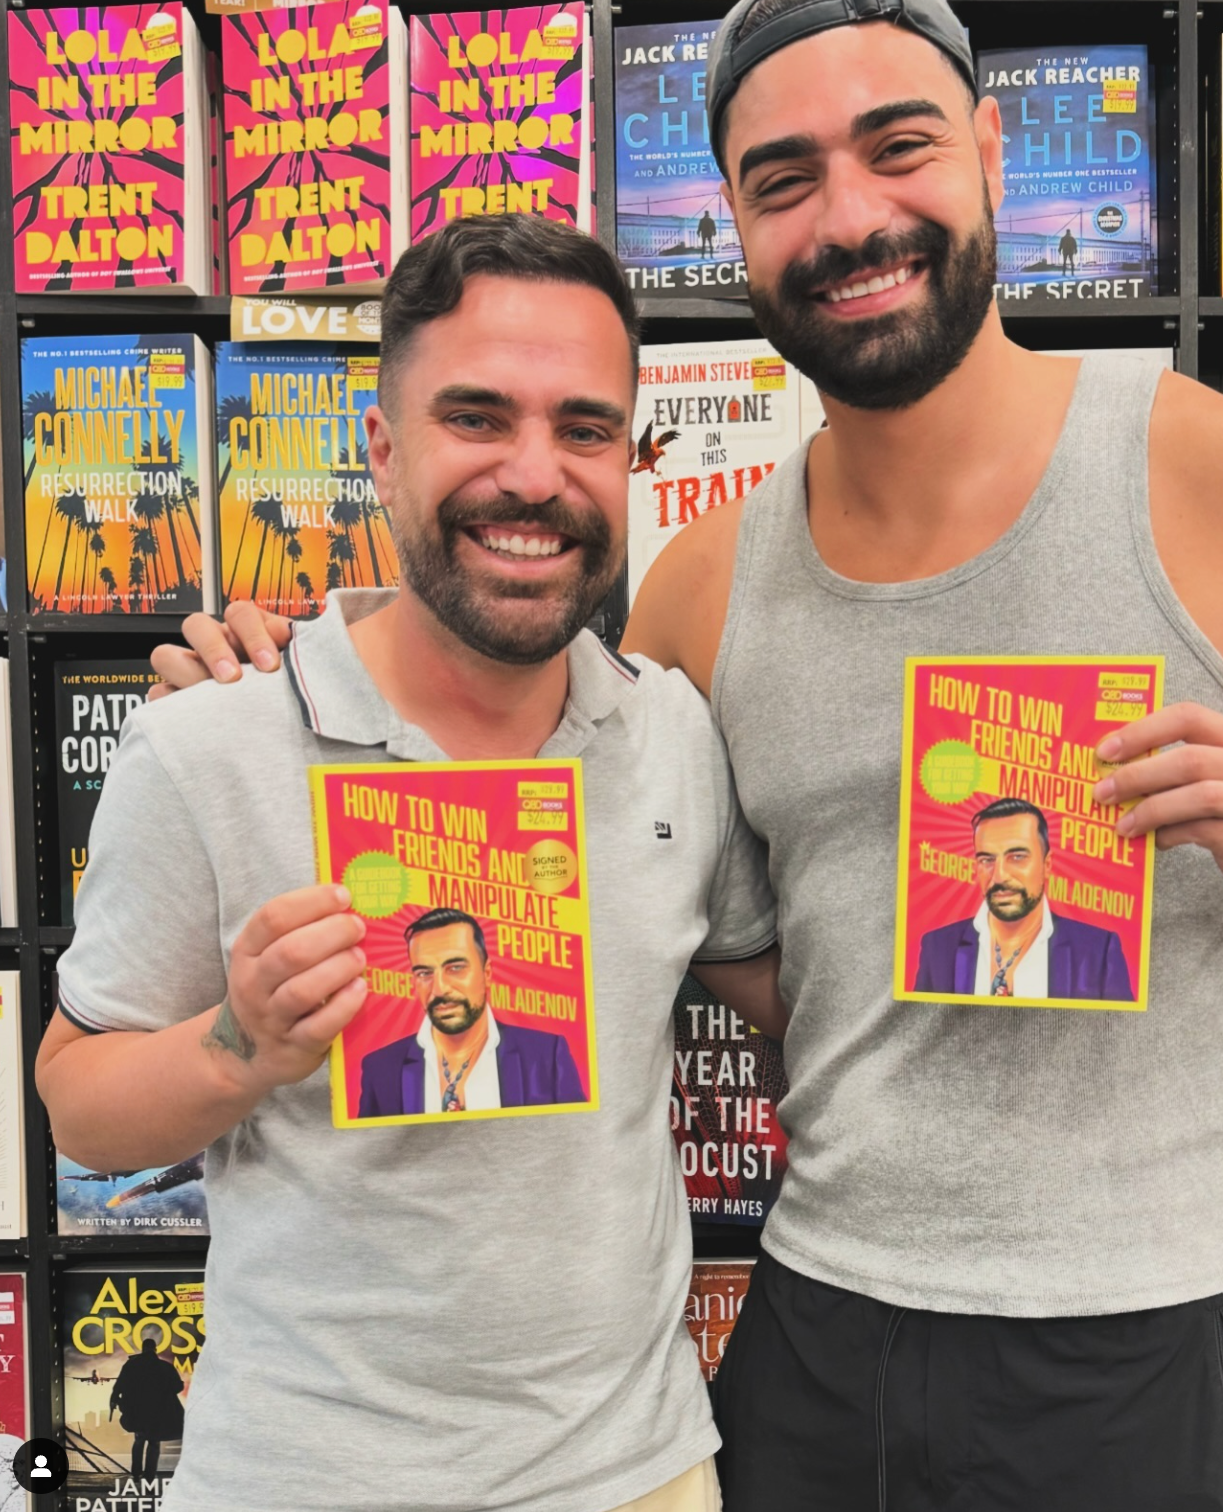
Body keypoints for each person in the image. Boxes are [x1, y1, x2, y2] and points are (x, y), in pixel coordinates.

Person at [159, 0, 1223, 1504]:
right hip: (818, 1327)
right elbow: (517, 766)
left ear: (993, 153)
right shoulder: (701, 582)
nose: (849, 217)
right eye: (783, 177)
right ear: (730, 223)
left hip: (1136, 1338)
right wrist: (280, 674)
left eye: (898, 147)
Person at [37, 213, 785, 1512]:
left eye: (585, 429)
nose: (535, 474)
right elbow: (78, 1107)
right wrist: (243, 1046)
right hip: (306, 1479)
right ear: (381, 450)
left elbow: (802, 1002)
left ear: (628, 458)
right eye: (479, 418)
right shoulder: (209, 742)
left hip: (637, 1471)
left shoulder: (671, 736)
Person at [357, 907, 585, 1117]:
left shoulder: (546, 1058)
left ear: (487, 973)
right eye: (424, 973)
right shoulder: (380, 1070)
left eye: (455, 968)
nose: (439, 989)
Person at [912, 797, 1132, 1000]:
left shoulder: (1098, 951)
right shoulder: (937, 948)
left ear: (1047, 865)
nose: (999, 876)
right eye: (987, 860)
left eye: (1017, 857)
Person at [109, 1337, 185, 1481]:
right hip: (158, 1412)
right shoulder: (165, 1367)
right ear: (155, 1349)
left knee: (139, 1440)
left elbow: (119, 1386)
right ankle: (149, 1476)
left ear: (143, 1348)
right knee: (154, 1443)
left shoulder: (131, 1365)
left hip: (137, 1411)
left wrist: (114, 1400)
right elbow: (178, 1387)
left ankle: (136, 1473)